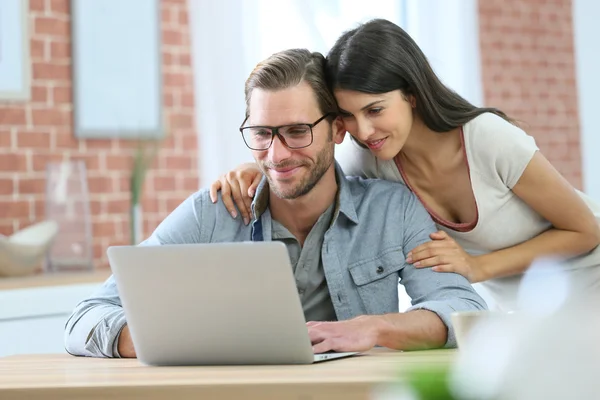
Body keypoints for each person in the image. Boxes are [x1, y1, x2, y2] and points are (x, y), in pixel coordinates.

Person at [64, 49, 486, 359]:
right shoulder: (211, 213)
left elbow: (462, 308)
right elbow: (85, 318)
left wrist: (373, 328)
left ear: (338, 130)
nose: (277, 155)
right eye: (262, 133)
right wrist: (159, 337)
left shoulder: (392, 210)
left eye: (297, 131)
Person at [210, 19, 600, 311]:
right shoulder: (372, 157)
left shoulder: (487, 138)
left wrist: (476, 267)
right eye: (349, 115)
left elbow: (586, 231)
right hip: (531, 308)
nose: (364, 129)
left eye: (375, 109)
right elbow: (309, 162)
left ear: (411, 95)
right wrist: (258, 171)